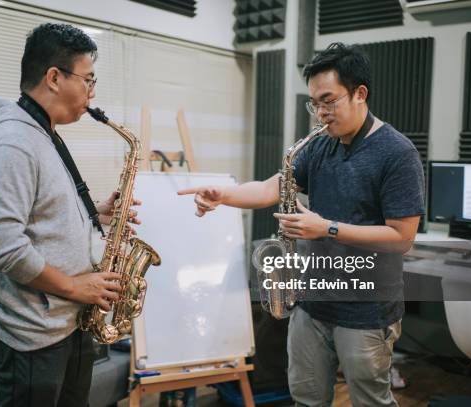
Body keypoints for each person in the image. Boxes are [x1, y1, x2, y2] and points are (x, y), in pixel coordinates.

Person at [178, 42, 424, 406]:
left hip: (367, 310)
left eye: (329, 101)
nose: (320, 114)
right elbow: (267, 188)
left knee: (371, 400)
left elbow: (402, 237)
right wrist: (223, 196)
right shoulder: (320, 145)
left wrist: (327, 228)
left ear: (360, 93)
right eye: (315, 104)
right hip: (312, 303)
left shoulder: (397, 153)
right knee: (305, 398)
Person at [0, 23, 137, 407]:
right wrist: (76, 287)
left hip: (64, 323)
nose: (92, 93)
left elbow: (35, 210)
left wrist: (97, 212)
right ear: (54, 78)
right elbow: (1, 244)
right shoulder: (12, 142)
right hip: (31, 332)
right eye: (88, 80)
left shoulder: (40, 132)